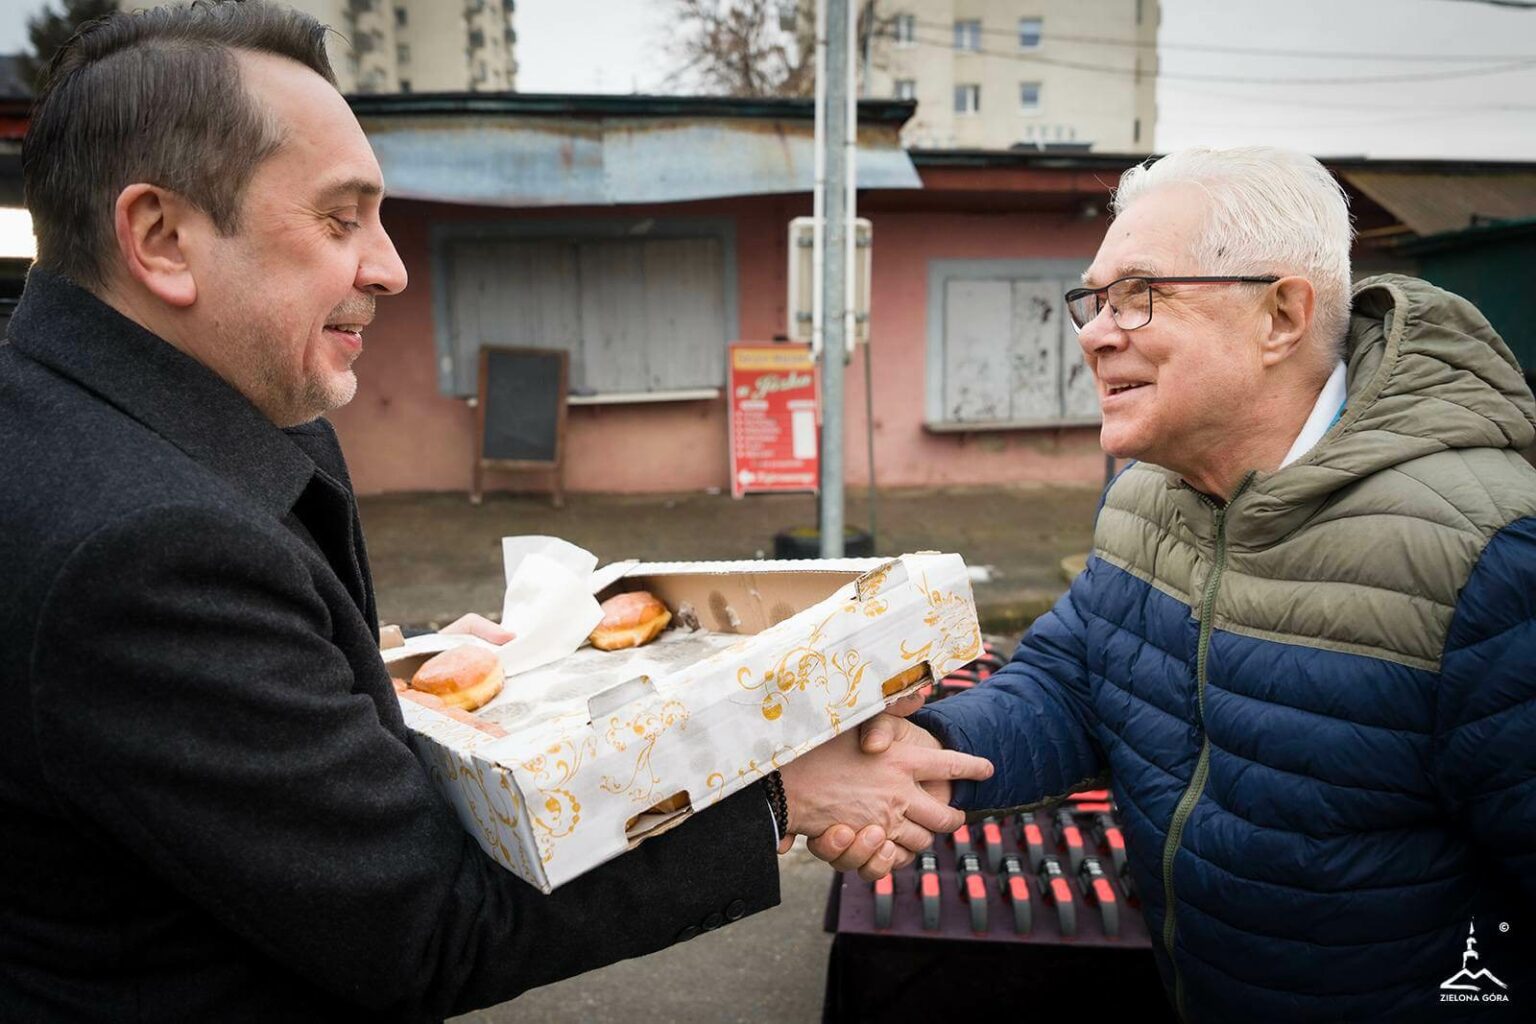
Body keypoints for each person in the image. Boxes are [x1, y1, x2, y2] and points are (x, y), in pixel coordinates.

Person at [0, 3, 989, 1019]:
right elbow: (423, 922)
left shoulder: (72, 422)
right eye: (340, 220)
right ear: (162, 239)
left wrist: (374, 676)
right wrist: (782, 792)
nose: (389, 267)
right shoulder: (144, 548)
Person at [810, 147, 1536, 1021]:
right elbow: (1076, 682)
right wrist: (924, 754)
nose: (1094, 331)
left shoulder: (1491, 551)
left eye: (1140, 294)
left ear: (1280, 315)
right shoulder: (1145, 491)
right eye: (1094, 297)